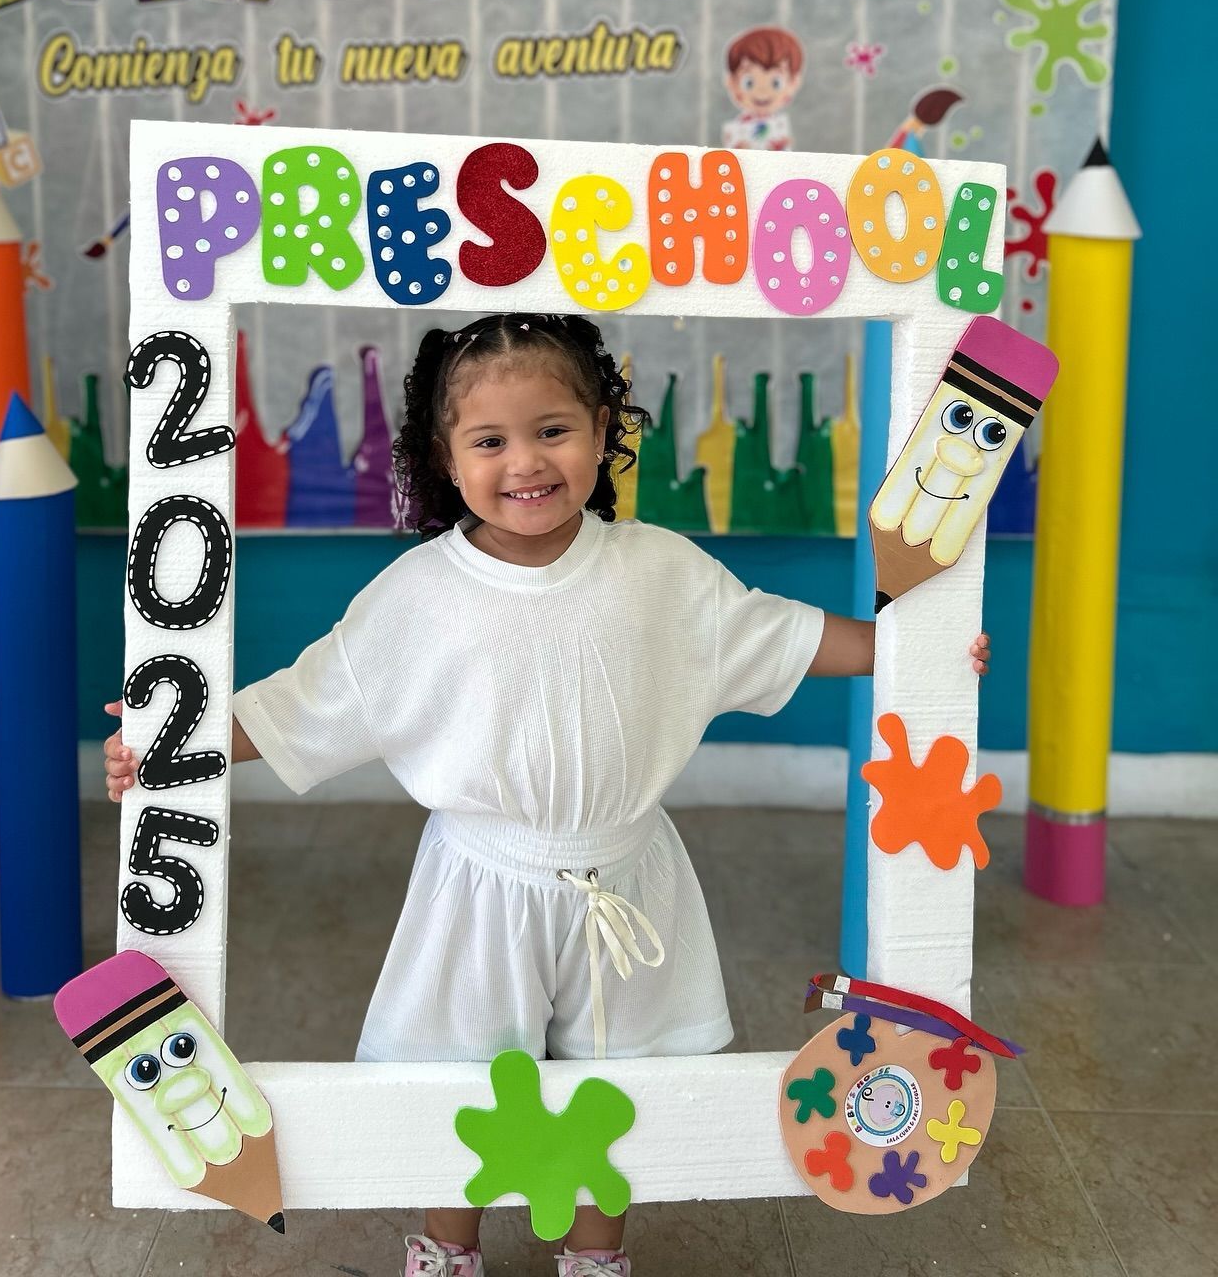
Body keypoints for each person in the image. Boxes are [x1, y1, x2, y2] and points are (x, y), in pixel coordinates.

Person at [105, 314, 989, 1277]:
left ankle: (596, 1255)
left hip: (629, 876)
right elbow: (308, 705)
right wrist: (176, 745)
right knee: (462, 1080)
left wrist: (917, 656)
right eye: (490, 440)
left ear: (604, 426)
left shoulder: (659, 572)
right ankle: (447, 1246)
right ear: (446, 459)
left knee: (625, 1087)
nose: (525, 462)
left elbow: (783, 637)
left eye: (552, 429)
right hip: (479, 889)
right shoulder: (417, 597)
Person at [721, 26, 805, 150]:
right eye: (749, 83)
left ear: (793, 83)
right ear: (732, 82)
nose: (762, 91)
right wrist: (738, 149)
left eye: (776, 83)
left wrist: (781, 147)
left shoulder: (780, 125)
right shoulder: (738, 126)